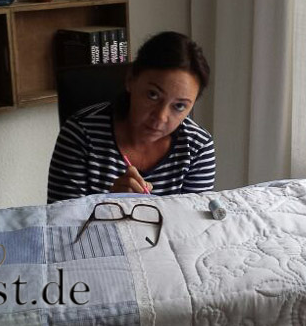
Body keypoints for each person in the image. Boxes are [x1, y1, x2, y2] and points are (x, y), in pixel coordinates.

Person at [47, 31, 215, 203]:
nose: (161, 117)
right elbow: (61, 218)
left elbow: (194, 218)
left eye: (179, 106)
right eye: (153, 95)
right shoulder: (80, 134)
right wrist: (110, 204)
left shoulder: (197, 147)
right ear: (130, 80)